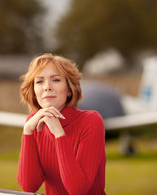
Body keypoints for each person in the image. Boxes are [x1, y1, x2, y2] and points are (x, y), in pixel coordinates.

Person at [17, 53, 106, 195]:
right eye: (39, 81)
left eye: (56, 80)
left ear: (69, 89)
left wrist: (59, 134)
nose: (47, 87)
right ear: (33, 91)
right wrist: (27, 131)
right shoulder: (33, 123)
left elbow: (78, 190)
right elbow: (29, 186)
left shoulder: (91, 121)